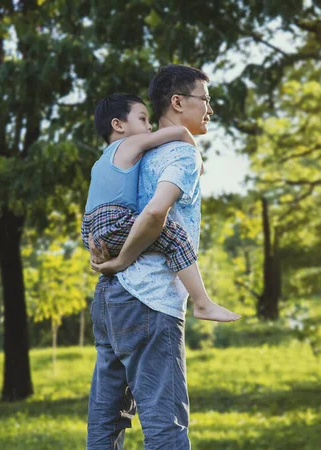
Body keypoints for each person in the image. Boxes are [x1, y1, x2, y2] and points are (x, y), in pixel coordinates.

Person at [86, 65, 227, 449]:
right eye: (206, 100)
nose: (211, 109)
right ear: (179, 102)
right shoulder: (180, 152)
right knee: (165, 424)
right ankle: (204, 302)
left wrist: (109, 258)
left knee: (105, 420)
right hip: (149, 300)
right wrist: (121, 258)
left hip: (108, 297)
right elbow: (153, 214)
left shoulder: (133, 150)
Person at [82, 93, 239, 323]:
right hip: (114, 220)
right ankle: (203, 303)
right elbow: (180, 132)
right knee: (175, 237)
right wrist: (198, 160)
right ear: (118, 125)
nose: (150, 126)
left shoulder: (101, 160)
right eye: (143, 119)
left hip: (90, 229)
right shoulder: (130, 143)